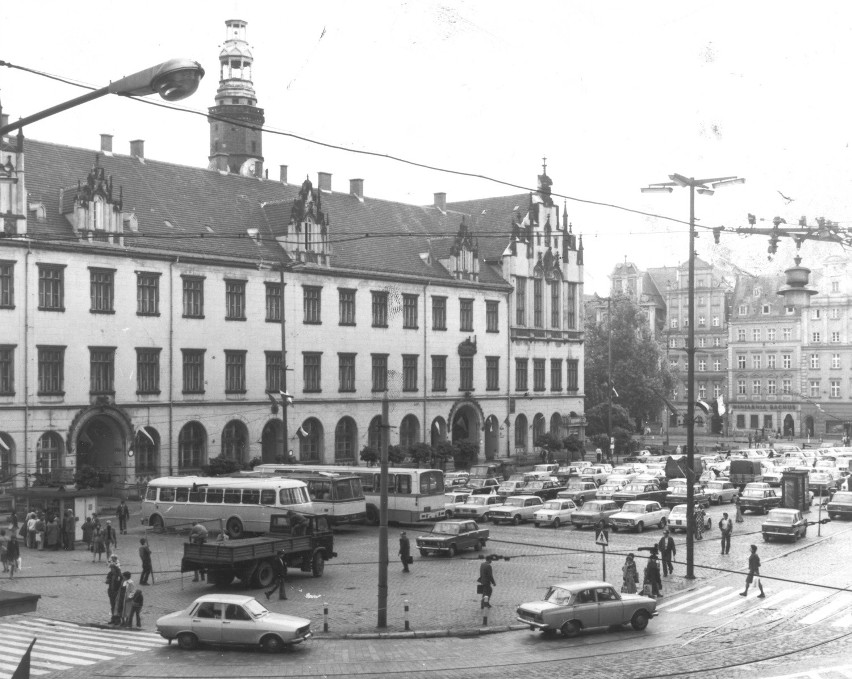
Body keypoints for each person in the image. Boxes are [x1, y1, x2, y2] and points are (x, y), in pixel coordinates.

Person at [106, 555, 123, 624]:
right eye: (111, 568)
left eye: (112, 568)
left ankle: (117, 620)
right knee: (112, 606)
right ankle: (113, 619)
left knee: (117, 607)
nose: (111, 570)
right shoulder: (110, 574)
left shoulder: (119, 576)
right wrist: (108, 581)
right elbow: (107, 580)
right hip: (111, 592)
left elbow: (121, 584)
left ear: (115, 569)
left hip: (117, 593)